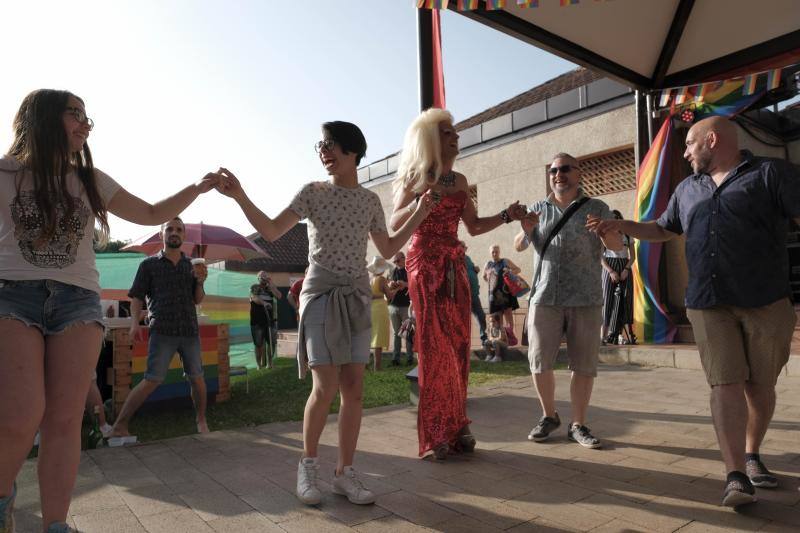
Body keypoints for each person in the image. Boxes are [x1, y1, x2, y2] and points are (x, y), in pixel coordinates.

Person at [0, 89, 219, 533]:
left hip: (77, 301)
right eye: (74, 114)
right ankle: (3, 499)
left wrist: (197, 188)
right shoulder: (5, 172)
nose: (86, 123)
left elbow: (152, 211)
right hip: (11, 295)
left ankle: (56, 524)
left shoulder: (90, 179)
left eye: (87, 116)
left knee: (64, 419)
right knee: (21, 415)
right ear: (42, 118)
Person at [215, 120, 433, 506]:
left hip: (356, 298)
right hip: (318, 296)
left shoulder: (369, 201)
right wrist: (240, 196)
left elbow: (386, 248)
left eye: (331, 144)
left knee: (354, 389)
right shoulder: (312, 193)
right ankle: (308, 465)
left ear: (353, 151)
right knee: (325, 385)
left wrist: (419, 212)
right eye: (321, 145)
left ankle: (344, 473)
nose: (324, 151)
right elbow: (270, 229)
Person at [588, 116, 800, 507]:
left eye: (689, 143)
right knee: (725, 383)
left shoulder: (772, 174)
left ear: (712, 140)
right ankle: (736, 474)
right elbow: (663, 229)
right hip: (706, 302)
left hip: (766, 301)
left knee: (760, 386)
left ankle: (753, 453)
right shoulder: (687, 189)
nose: (684, 152)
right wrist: (621, 225)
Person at [390, 108, 527, 460]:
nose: (456, 137)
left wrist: (507, 215)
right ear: (433, 139)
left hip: (454, 267)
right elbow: (393, 224)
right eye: (448, 132)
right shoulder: (415, 177)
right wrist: (420, 206)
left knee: (459, 345)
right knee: (435, 350)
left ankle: (458, 424)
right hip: (424, 267)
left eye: (454, 132)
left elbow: (475, 226)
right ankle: (437, 432)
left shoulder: (461, 181)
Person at [514, 152, 622, 451]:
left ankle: (579, 423)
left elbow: (616, 247)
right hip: (545, 295)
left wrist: (606, 232)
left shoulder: (597, 207)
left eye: (564, 169)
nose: (558, 174)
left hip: (585, 297)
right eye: (553, 170)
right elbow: (520, 244)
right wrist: (525, 230)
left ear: (579, 173)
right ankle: (549, 416)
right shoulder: (538, 208)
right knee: (538, 361)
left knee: (584, 364)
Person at [109, 217, 211, 440]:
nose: (174, 233)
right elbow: (136, 297)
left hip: (189, 331)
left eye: (179, 230)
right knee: (152, 379)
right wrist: (135, 323)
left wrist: (201, 282)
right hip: (162, 331)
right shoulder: (148, 265)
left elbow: (198, 300)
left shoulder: (192, 265)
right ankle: (119, 425)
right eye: (170, 229)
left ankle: (201, 420)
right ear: (162, 235)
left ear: (184, 236)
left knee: (197, 378)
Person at [600, 210, 636, 345]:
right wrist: (610, 271)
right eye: (611, 219)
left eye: (617, 219)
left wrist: (626, 269)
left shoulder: (627, 235)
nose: (614, 221)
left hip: (624, 265)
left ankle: (626, 335)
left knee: (626, 300)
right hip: (609, 266)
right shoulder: (603, 235)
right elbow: (600, 257)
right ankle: (603, 336)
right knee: (607, 300)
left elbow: (633, 256)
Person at [483, 245, 522, 332]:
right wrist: (491, 283)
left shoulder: (505, 261)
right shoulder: (488, 264)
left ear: (499, 252)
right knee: (497, 316)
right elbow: (484, 277)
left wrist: (510, 271)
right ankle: (501, 338)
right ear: (490, 253)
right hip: (493, 294)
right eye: (493, 252)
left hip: (506, 292)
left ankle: (510, 337)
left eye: (496, 251)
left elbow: (518, 269)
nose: (494, 253)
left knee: (508, 314)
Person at [250, 271, 283, 369]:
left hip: (270, 320)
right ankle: (259, 365)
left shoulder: (270, 289)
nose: (264, 278)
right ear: (258, 278)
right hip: (257, 320)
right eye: (262, 276)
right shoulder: (255, 287)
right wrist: (264, 303)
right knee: (259, 344)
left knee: (272, 343)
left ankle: (270, 363)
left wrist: (271, 284)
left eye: (265, 276)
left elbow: (279, 295)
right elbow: (254, 298)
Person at [367, 256, 394, 371]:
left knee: (372, 335)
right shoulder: (382, 279)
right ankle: (377, 366)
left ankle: (367, 364)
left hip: (371, 308)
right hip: (380, 308)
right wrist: (395, 289)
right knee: (378, 337)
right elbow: (389, 296)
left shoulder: (370, 279)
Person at [387, 251, 413, 366]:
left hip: (406, 306)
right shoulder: (392, 271)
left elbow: (414, 284)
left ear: (404, 259)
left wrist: (405, 284)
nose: (396, 263)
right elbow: (387, 284)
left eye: (397, 261)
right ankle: (395, 358)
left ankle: (409, 357)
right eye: (394, 261)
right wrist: (391, 284)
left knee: (407, 332)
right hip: (393, 305)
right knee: (397, 333)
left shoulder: (409, 270)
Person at [461, 241, 488, 348]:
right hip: (463, 296)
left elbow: (469, 272)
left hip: (474, 294)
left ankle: (484, 340)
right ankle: (464, 343)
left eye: (465, 247)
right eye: (463, 247)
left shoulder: (467, 258)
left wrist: (475, 270)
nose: (464, 248)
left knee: (481, 316)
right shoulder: (456, 260)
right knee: (464, 319)